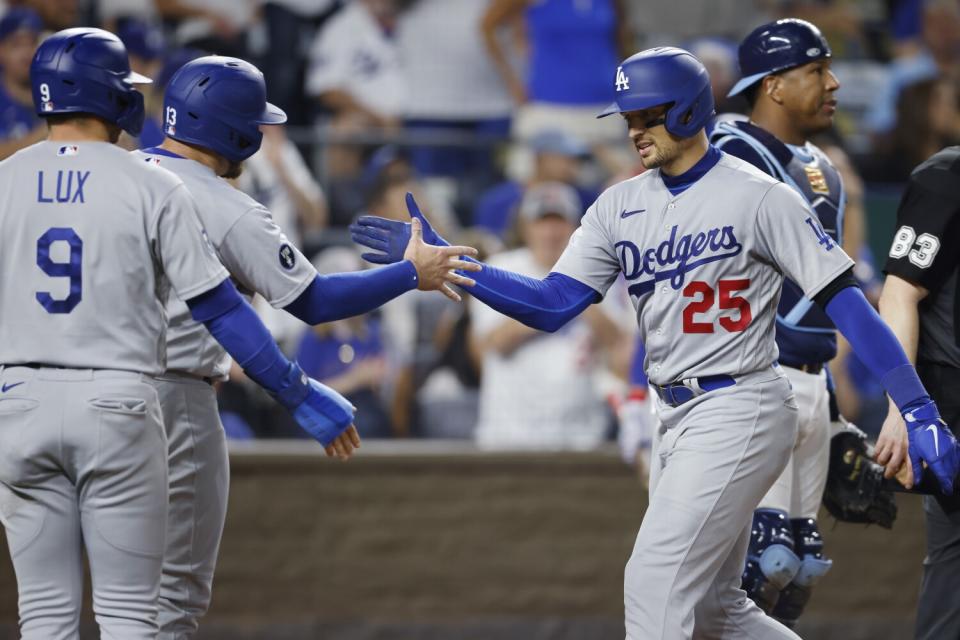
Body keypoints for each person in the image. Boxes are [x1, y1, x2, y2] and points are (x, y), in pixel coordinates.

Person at [350, 46, 959, 639]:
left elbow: (848, 304)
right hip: (671, 412)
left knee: (653, 582)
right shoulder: (619, 205)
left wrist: (916, 405)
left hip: (740, 401)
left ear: (690, 111)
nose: (635, 130)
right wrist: (457, 264)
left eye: (649, 115)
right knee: (719, 608)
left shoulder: (760, 194)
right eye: (629, 119)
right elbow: (552, 302)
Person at [0, 28, 360, 639]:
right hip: (117, 403)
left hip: (18, 402)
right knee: (133, 617)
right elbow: (222, 310)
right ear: (113, 99)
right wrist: (297, 392)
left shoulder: (5, 179)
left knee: (45, 617)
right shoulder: (152, 183)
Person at [138, 54, 481, 637]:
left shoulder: (117, 174)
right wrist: (409, 273)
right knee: (167, 603)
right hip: (173, 400)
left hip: (64, 387)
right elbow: (313, 302)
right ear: (235, 131)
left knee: (69, 596)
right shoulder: (225, 205)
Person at [710, 18, 842, 626]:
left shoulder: (823, 165)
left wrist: (834, 407)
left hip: (812, 376)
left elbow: (826, 285)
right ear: (774, 85)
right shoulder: (731, 150)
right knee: (759, 566)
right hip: (758, 375)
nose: (833, 83)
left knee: (800, 572)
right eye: (816, 70)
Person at [873, 144, 960, 640]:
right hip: (954, 403)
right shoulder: (945, 178)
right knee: (951, 583)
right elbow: (899, 294)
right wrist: (903, 408)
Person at [471, 181, 628, 450]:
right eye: (542, 222)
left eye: (559, 222)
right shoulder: (501, 269)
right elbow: (495, 342)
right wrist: (557, 301)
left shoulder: (599, 274)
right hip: (510, 434)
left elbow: (618, 344)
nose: (551, 232)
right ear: (526, 227)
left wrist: (571, 293)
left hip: (581, 435)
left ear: (575, 229)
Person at [0, 7, 44, 159]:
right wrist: (44, 134)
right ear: (1, 50)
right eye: (17, 45)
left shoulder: (55, 94)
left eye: (32, 43)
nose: (27, 53)